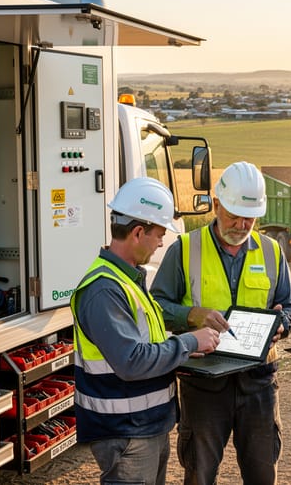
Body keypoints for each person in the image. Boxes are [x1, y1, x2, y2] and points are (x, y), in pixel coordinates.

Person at [150, 161, 291, 485]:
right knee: (200, 474)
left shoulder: (272, 252)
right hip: (204, 385)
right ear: (217, 205)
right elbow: (156, 305)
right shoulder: (185, 248)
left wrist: (282, 324)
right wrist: (191, 315)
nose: (242, 223)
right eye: (234, 214)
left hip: (258, 383)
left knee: (262, 474)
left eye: (250, 216)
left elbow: (290, 305)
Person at [70, 177, 221, 485]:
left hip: (145, 426)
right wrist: (189, 341)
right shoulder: (104, 290)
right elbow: (132, 361)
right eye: (159, 234)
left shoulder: (127, 281)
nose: (162, 243)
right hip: (126, 433)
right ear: (138, 232)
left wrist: (182, 338)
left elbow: (145, 340)